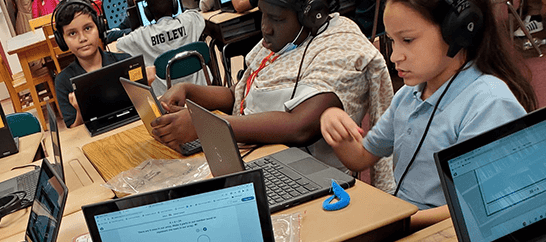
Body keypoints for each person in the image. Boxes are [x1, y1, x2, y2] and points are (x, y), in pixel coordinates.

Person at [320, 0, 537, 230]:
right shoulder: (408, 95)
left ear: (459, 31)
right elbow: (362, 156)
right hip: (407, 223)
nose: (394, 56)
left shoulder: (488, 104)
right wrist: (335, 124)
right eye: (392, 41)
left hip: (444, 238)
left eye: (408, 40)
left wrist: (395, 221)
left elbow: (478, 210)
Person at [151, 0, 395, 187]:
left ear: (311, 16)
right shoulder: (286, 41)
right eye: (263, 14)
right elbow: (241, 96)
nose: (265, 27)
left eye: (277, 19)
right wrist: (190, 91)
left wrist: (208, 126)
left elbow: (299, 125)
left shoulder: (341, 47)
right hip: (264, 160)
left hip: (311, 180)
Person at [53, 0, 153, 128]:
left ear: (99, 28)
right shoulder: (63, 81)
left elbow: (145, 108)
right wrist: (80, 111)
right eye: (72, 33)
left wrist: (146, 86)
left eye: (88, 28)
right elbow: (74, 130)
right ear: (61, 40)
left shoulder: (125, 62)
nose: (82, 38)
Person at [115, 0, 207, 96]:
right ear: (175, 6)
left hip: (168, 99)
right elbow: (198, 15)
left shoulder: (141, 36)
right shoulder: (190, 20)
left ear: (147, 13)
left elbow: (119, 43)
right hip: (201, 92)